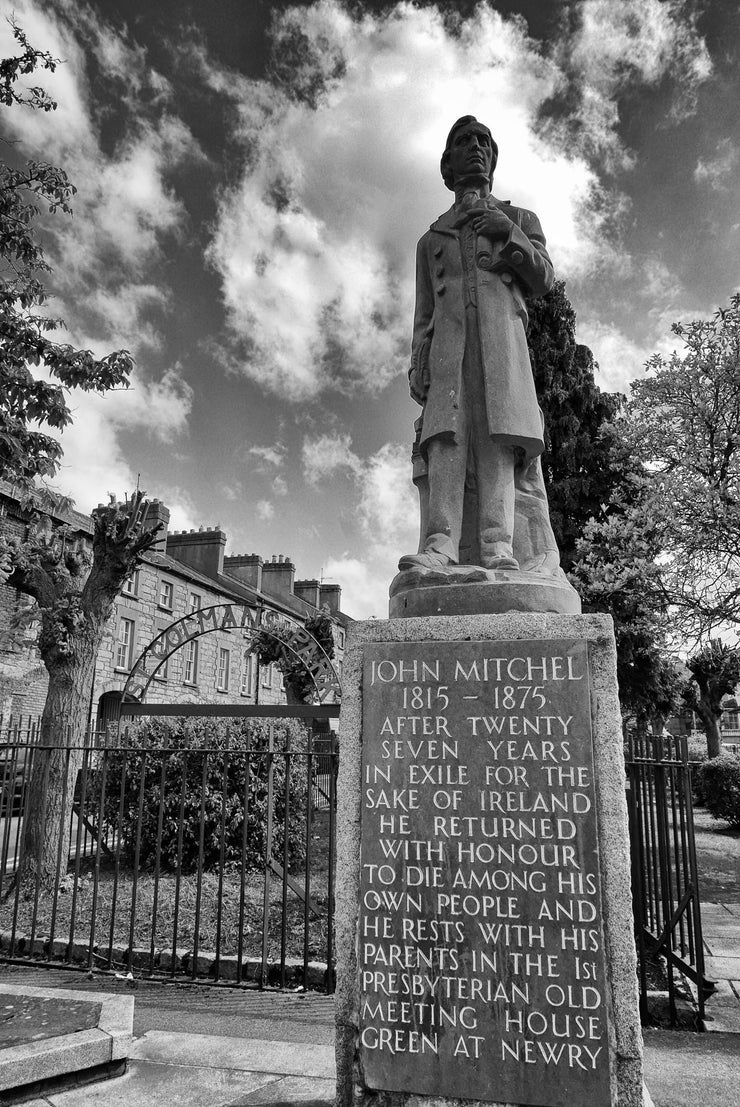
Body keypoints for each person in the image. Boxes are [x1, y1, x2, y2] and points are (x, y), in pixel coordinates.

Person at [399, 115, 560, 575]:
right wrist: (418, 363)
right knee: (445, 440)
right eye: (464, 141)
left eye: (484, 142)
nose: (476, 147)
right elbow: (424, 311)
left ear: (493, 158)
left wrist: (504, 230)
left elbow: (544, 278)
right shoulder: (430, 239)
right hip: (449, 350)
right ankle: (440, 545)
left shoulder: (519, 219)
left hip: (501, 347)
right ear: (447, 164)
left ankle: (497, 544)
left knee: (497, 437)